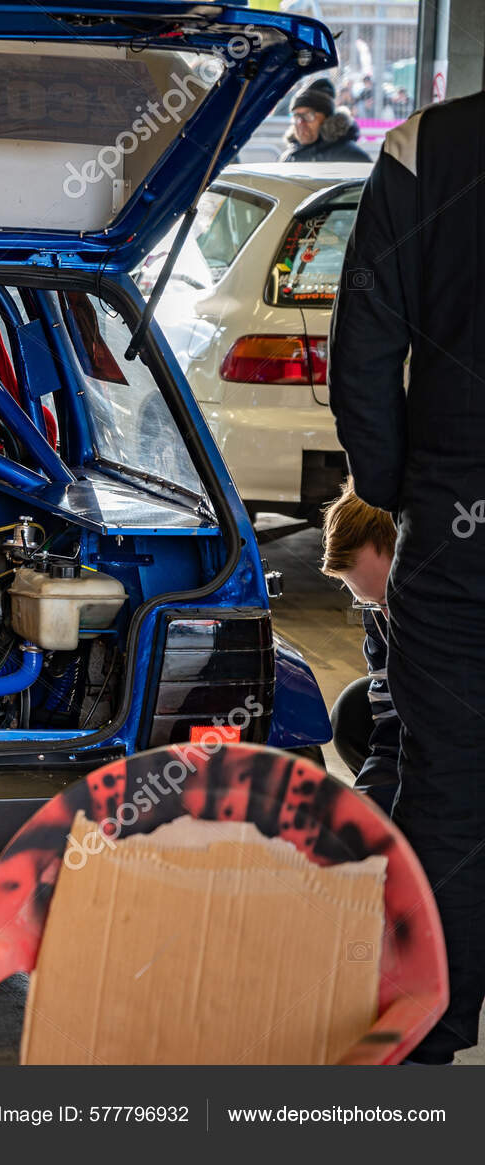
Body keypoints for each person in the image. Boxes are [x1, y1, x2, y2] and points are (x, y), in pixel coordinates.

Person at [330, 90, 485, 1065]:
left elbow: (364, 348)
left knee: (451, 787)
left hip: (458, 518)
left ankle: (429, 1038)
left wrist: (397, 492)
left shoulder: (432, 142)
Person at [318, 482, 398, 813]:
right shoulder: (379, 614)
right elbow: (393, 720)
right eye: (370, 603)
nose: (385, 614)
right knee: (355, 712)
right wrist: (367, 805)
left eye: (390, 598)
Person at [280, 77, 370, 163]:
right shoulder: (288, 157)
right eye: (296, 116)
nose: (300, 122)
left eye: (308, 115)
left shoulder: (352, 157)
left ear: (327, 119)